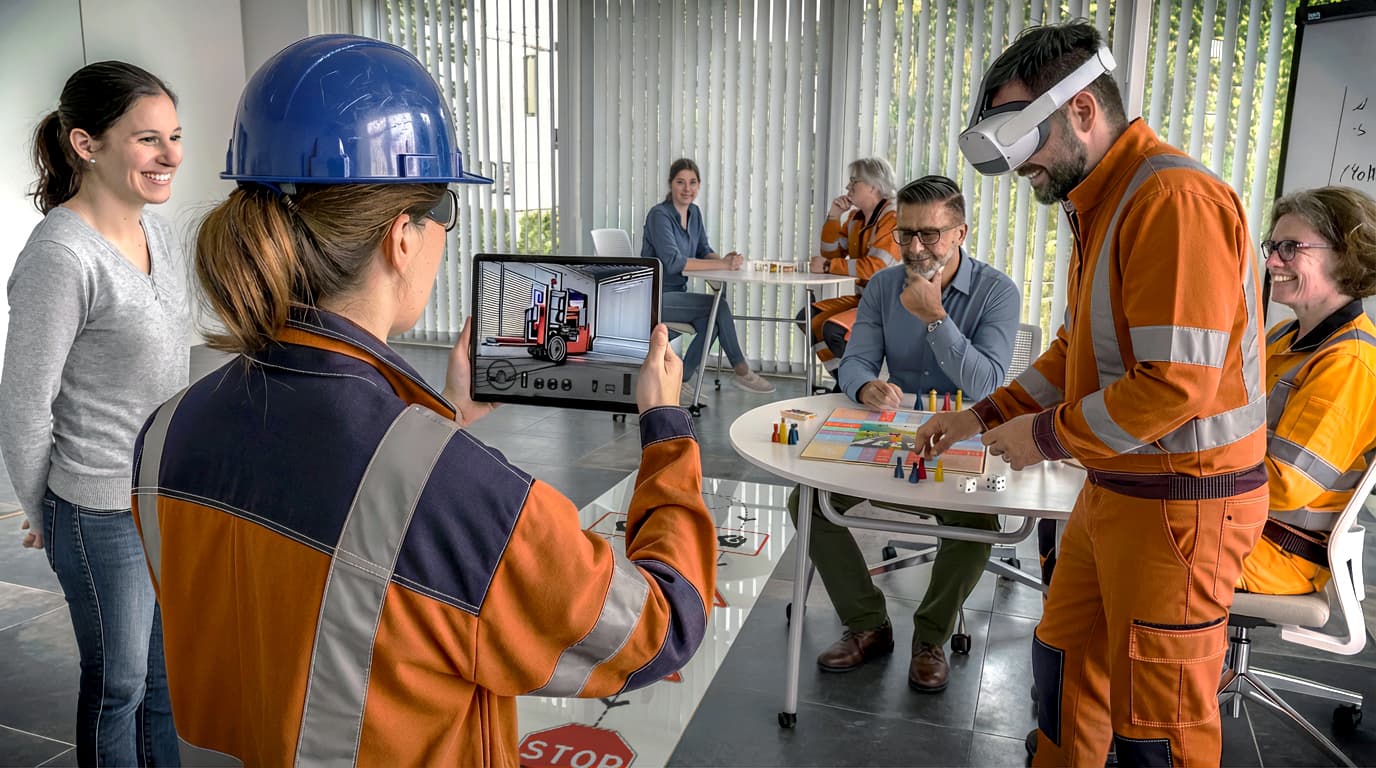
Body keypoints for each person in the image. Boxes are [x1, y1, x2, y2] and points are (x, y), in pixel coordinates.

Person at [129, 35, 717, 766]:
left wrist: (444, 420)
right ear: (401, 238)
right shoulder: (460, 493)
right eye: (447, 212)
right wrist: (665, 429)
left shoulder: (164, 436)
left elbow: (318, 601)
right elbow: (658, 628)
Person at [915, 22, 1267, 767]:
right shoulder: (1100, 204)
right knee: (1065, 665)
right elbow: (1077, 354)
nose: (1020, 170)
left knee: (1155, 724)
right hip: (1114, 487)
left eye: (1024, 139)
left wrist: (1040, 438)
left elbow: (1175, 385)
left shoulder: (1171, 198)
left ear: (1082, 112)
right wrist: (983, 416)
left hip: (1181, 508)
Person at [0, 61, 185, 765]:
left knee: (164, 679)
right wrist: (45, 513)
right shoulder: (60, 256)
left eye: (174, 136)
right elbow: (23, 405)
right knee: (120, 682)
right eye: (147, 140)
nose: (170, 156)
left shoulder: (157, 236)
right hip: (98, 507)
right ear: (87, 144)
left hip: (158, 498)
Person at [787, 174, 1019, 692]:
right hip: (893, 436)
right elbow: (855, 362)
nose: (914, 248)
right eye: (906, 234)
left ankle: (931, 635)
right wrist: (866, 384)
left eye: (929, 235)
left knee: (980, 525)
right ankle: (869, 625)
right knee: (807, 500)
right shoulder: (885, 286)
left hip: (963, 438)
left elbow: (988, 385)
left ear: (960, 233)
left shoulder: (996, 292)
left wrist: (936, 319)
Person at [1237, 187, 1376, 594]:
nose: (1272, 261)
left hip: (1278, 553)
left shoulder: (1349, 361)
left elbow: (1284, 483)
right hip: (1245, 528)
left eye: (1289, 247)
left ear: (1345, 254)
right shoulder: (1286, 336)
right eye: (1272, 246)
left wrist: (1187, 457)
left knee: (1123, 542)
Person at [641, 158, 775, 398]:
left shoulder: (694, 213)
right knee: (717, 307)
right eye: (680, 182)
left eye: (692, 182)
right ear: (671, 184)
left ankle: (682, 379)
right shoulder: (659, 215)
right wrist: (720, 264)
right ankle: (741, 369)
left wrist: (726, 261)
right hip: (653, 297)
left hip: (676, 296)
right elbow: (673, 262)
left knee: (711, 319)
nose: (687, 188)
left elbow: (703, 249)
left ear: (699, 185)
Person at [797, 157, 902, 382]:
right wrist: (834, 216)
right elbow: (831, 252)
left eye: (854, 181)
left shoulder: (893, 219)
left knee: (833, 329)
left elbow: (877, 268)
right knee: (808, 317)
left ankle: (860, 383)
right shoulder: (857, 217)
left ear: (874, 185)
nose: (847, 187)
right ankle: (843, 380)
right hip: (865, 299)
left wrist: (828, 266)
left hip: (889, 304)